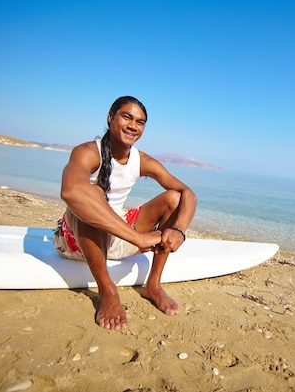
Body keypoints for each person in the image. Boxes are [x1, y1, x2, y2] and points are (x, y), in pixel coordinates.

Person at [54, 96, 197, 330]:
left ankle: (153, 285)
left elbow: (187, 193)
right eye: (126, 117)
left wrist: (179, 230)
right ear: (111, 117)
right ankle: (108, 291)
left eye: (140, 122)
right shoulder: (88, 152)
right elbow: (70, 192)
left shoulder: (141, 160)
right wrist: (138, 238)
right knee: (93, 193)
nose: (133, 125)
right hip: (76, 240)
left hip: (116, 235)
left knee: (174, 197)